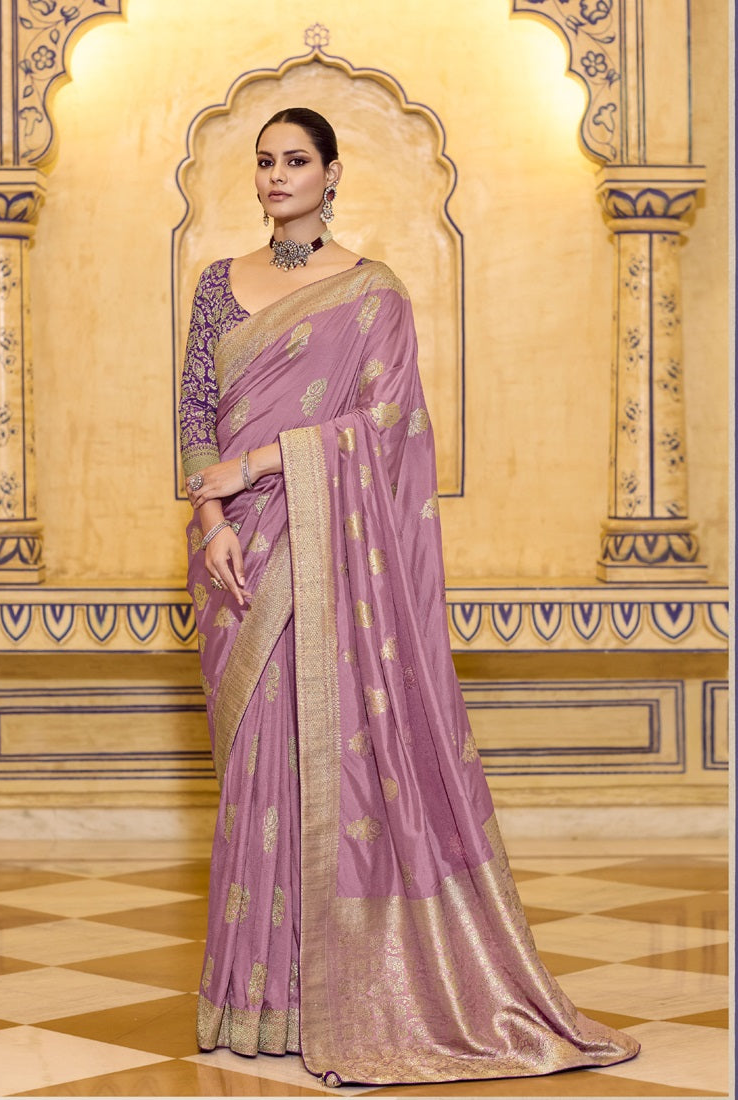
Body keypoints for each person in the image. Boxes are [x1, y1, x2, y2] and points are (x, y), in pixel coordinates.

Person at [179, 107, 640, 1087]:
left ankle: (336, 996)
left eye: (295, 161)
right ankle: (254, 1000)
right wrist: (213, 517)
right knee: (257, 766)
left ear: (331, 172)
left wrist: (260, 462)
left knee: (325, 761)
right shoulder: (218, 285)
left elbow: (385, 422)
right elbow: (193, 415)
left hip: (325, 548)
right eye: (263, 162)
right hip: (238, 552)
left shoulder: (372, 292)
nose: (275, 176)